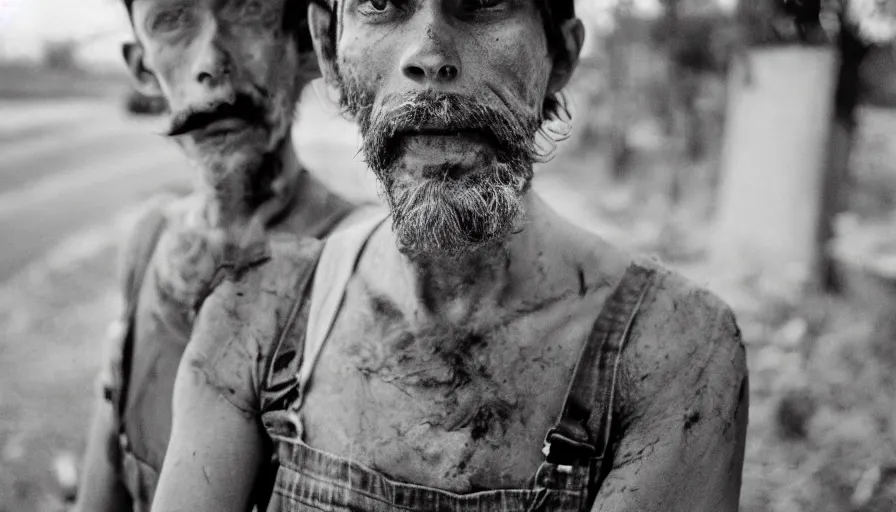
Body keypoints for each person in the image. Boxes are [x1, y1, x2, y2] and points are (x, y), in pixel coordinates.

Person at [153, 1, 749, 511]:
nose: (430, 55)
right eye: (382, 2)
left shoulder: (673, 350)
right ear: (329, 52)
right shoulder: (251, 316)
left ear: (559, 57)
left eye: (485, 0)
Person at [73, 1, 367, 511]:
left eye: (248, 10)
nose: (211, 60)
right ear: (143, 66)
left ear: (304, 44)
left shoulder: (361, 267)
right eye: (171, 21)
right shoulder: (149, 243)